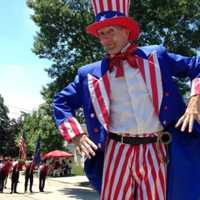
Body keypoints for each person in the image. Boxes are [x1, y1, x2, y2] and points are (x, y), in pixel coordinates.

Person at [53, 0, 200, 199]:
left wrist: (195, 100)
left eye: (110, 31)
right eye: (101, 34)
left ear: (126, 30)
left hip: (155, 148)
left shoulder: (157, 56)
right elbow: (60, 102)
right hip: (115, 151)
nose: (105, 40)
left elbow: (196, 66)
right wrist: (77, 136)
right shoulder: (88, 74)